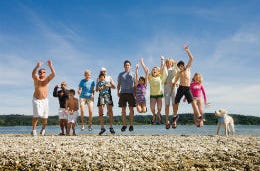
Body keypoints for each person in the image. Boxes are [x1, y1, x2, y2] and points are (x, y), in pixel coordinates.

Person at [172, 45, 203, 128]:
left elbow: (192, 58)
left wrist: (187, 50)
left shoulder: (188, 68)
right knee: (176, 102)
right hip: (181, 88)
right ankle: (175, 115)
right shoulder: (179, 73)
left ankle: (199, 116)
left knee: (193, 103)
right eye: (179, 67)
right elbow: (175, 80)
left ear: (184, 65)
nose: (180, 68)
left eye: (181, 66)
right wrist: (174, 83)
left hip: (187, 88)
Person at [31, 60, 55, 136]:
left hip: (45, 100)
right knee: (36, 115)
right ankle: (34, 130)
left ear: (45, 73)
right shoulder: (36, 79)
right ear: (39, 73)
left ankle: (43, 129)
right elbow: (33, 73)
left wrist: (50, 66)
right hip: (36, 99)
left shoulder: (47, 79)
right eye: (40, 72)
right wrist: (37, 66)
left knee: (45, 117)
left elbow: (54, 74)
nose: (42, 73)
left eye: (44, 72)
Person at [140, 57, 167, 124]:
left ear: (158, 72)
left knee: (159, 107)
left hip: (159, 95)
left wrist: (162, 60)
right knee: (152, 108)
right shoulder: (150, 77)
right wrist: (142, 62)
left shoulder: (160, 76)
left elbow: (162, 68)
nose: (154, 70)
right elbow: (145, 70)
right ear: (152, 72)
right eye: (153, 69)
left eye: (155, 70)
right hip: (152, 95)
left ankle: (158, 113)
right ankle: (154, 115)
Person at [96, 67, 116, 134]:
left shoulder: (109, 77)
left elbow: (114, 86)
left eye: (104, 71)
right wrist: (98, 88)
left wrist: (108, 85)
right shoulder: (98, 78)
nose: (103, 72)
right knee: (100, 111)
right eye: (102, 71)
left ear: (106, 71)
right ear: (100, 72)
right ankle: (102, 128)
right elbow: (96, 89)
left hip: (108, 95)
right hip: (101, 96)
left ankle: (111, 127)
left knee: (110, 111)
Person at [117, 60, 136, 132]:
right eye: (126, 65)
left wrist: (135, 92)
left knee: (131, 109)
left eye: (128, 65)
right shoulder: (120, 74)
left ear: (130, 66)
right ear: (124, 66)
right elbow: (118, 84)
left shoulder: (133, 74)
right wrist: (117, 91)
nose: (127, 66)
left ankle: (131, 125)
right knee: (123, 110)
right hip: (123, 93)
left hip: (131, 93)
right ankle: (124, 125)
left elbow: (135, 84)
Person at [161, 56, 179, 129]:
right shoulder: (164, 69)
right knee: (167, 105)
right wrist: (162, 60)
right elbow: (162, 77)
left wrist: (177, 83)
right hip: (166, 88)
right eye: (167, 62)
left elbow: (178, 76)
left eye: (170, 62)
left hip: (174, 87)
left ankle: (174, 120)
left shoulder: (175, 69)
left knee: (175, 104)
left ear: (172, 63)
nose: (168, 63)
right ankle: (167, 121)